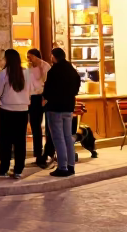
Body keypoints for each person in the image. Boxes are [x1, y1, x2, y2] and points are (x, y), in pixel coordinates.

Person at [0, 48, 31, 179]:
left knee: (6, 140)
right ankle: (18, 169)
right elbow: (30, 91)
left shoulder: (3, 74)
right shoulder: (26, 73)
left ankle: (4, 168)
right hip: (23, 110)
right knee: (20, 140)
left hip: (7, 109)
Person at [44, 47, 81, 177]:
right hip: (68, 107)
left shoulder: (54, 71)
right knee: (67, 137)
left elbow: (47, 92)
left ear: (54, 57)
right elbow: (76, 88)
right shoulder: (71, 70)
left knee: (58, 138)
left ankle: (62, 167)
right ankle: (71, 165)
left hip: (55, 108)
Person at [25, 48, 52, 169]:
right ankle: (38, 155)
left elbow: (47, 82)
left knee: (48, 127)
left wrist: (45, 97)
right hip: (32, 99)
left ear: (36, 56)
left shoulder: (45, 67)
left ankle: (48, 153)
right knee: (35, 127)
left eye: (30, 56)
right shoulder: (29, 69)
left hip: (43, 97)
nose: (28, 59)